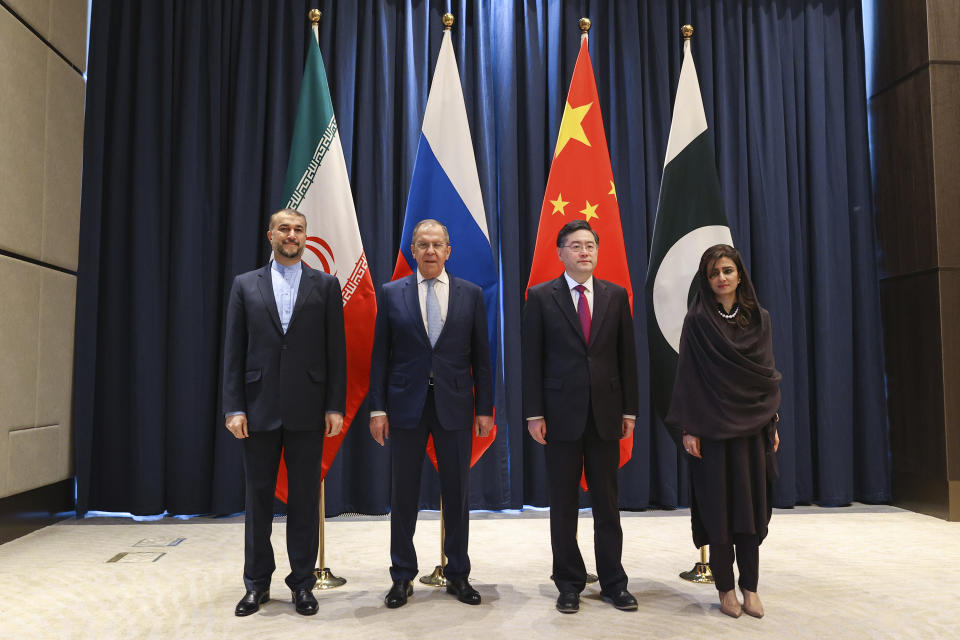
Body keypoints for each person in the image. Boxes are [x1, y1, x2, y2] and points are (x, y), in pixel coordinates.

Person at [222, 208, 347, 617]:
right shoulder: (245, 285)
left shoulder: (326, 285)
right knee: (257, 501)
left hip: (309, 410)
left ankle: (302, 584)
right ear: (270, 235)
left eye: (298, 229)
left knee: (305, 502)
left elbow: (336, 353)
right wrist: (234, 407)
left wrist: (334, 405)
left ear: (306, 237)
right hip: (256, 411)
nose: (291, 235)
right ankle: (256, 585)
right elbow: (233, 354)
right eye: (284, 229)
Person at [368, 219, 494, 608]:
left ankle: (458, 573)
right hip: (405, 407)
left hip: (455, 406)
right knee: (403, 495)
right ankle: (402, 576)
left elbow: (482, 358)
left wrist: (485, 409)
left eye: (437, 244)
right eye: (423, 244)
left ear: (448, 251)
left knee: (456, 495)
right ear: (413, 250)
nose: (430, 251)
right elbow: (379, 358)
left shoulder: (470, 294)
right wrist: (378, 408)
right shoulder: (391, 294)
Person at [522, 219, 639, 614]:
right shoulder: (540, 297)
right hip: (559, 416)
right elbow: (531, 361)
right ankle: (568, 582)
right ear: (560, 253)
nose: (584, 252)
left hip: (606, 414)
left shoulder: (616, 295)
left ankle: (614, 582)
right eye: (575, 246)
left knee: (608, 502)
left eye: (589, 245)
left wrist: (630, 411)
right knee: (563, 503)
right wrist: (534, 413)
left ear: (597, 251)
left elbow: (627, 358)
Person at [666, 244, 782, 619]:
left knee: (749, 511)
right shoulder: (698, 320)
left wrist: (772, 421)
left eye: (727, 271)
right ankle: (725, 589)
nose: (721, 278)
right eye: (714, 273)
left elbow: (766, 376)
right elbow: (688, 379)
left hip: (752, 430)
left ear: (739, 275)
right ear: (707, 278)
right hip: (712, 430)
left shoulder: (759, 319)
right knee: (719, 512)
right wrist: (689, 429)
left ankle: (750, 587)